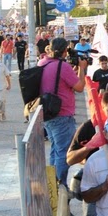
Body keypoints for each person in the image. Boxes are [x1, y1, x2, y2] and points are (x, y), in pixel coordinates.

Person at [40, 37, 88, 191]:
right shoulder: (63, 66)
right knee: (63, 153)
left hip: (48, 114)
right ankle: (60, 187)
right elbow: (80, 87)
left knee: (55, 150)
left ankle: (52, 183)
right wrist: (81, 68)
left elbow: (58, 82)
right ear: (65, 50)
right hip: (62, 115)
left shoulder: (43, 62)